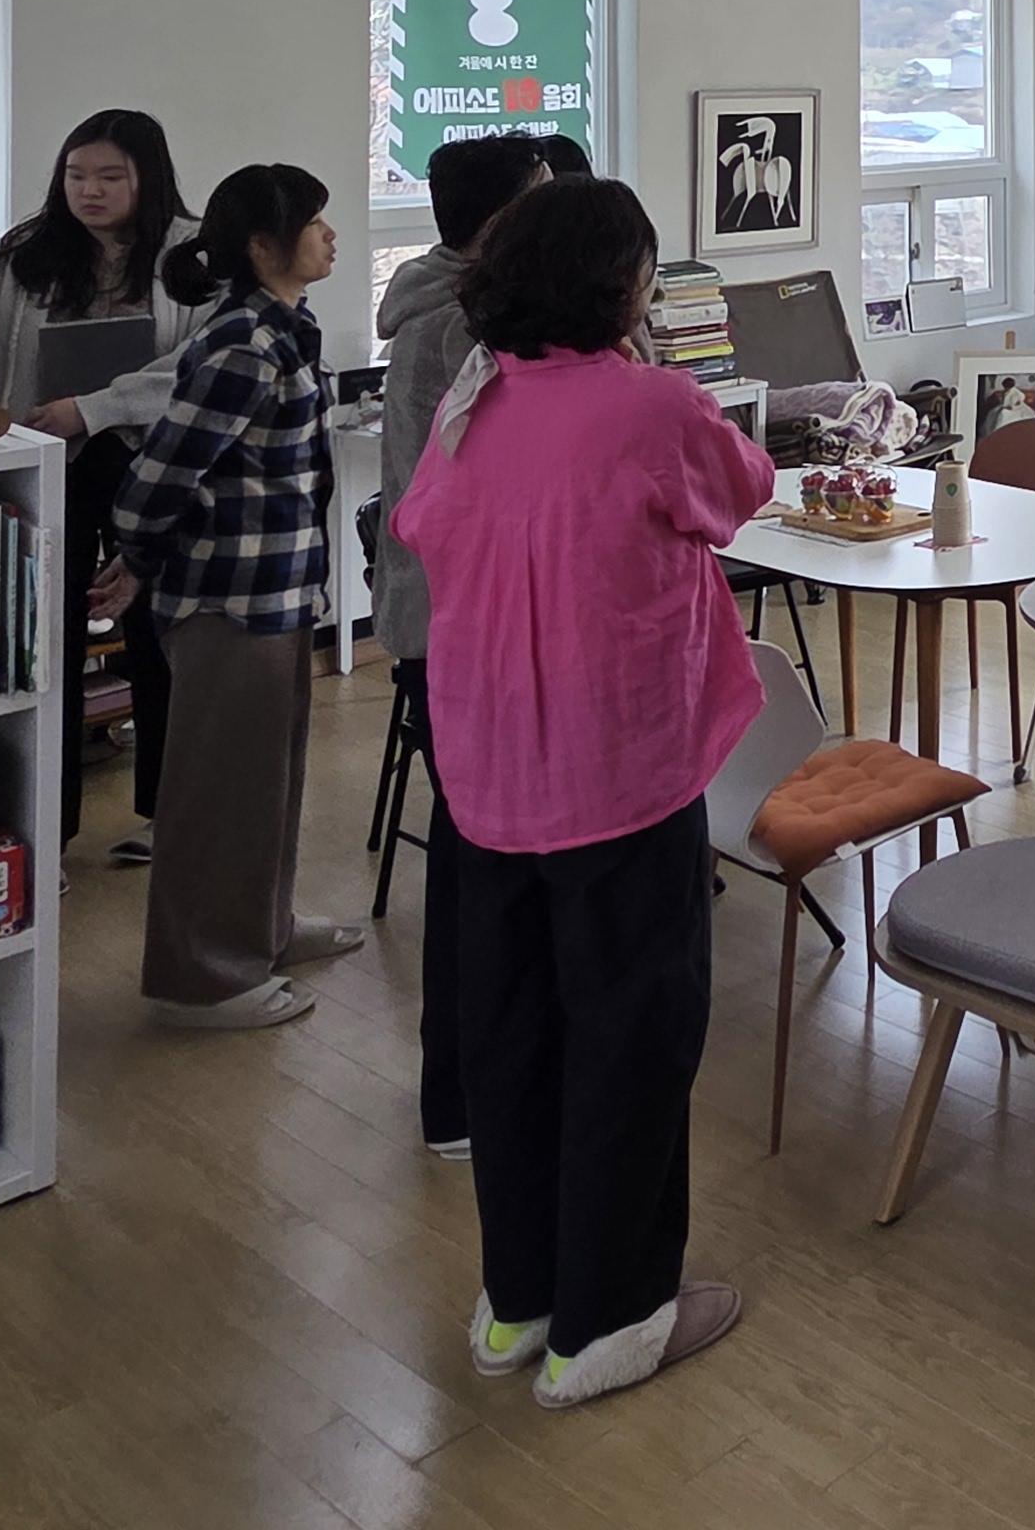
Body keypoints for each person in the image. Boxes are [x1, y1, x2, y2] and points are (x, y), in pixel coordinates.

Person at [392, 174, 773, 1408]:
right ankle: (610, 1321)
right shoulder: (650, 403)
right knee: (632, 1035)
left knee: (513, 1033)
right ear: (622, 286)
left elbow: (422, 526)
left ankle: (519, 1298)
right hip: (617, 769)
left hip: (487, 766)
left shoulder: (475, 396)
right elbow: (742, 490)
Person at [107, 162, 361, 1031]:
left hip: (276, 592)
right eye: (314, 223)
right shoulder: (242, 345)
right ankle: (200, 981)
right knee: (218, 797)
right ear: (262, 246)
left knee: (267, 783)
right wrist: (138, 559)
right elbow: (157, 478)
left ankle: (261, 930)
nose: (330, 235)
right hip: (227, 599)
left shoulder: (288, 328)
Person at [374, 130, 559, 1160]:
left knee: (477, 860)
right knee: (479, 868)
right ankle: (461, 1097)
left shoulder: (449, 303)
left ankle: (473, 1087)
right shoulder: (461, 326)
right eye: (539, 196)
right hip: (456, 624)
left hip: (447, 619)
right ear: (498, 221)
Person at [0, 110, 209, 851]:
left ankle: (170, 817)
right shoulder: (26, 250)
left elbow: (199, 361)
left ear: (149, 178)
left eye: (111, 176)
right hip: (49, 460)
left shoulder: (193, 253)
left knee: (158, 633)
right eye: (77, 175)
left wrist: (98, 406)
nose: (90, 191)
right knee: (43, 633)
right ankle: (46, 830)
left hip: (150, 461)